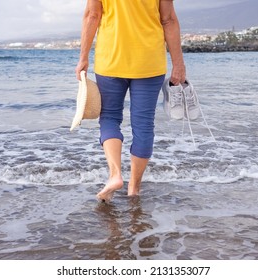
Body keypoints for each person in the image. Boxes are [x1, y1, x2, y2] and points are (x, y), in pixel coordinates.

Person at [75, 0, 186, 202]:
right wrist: (178, 64)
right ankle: (133, 188)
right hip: (149, 63)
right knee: (143, 125)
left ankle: (115, 175)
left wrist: (83, 57)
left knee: (109, 117)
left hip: (111, 60)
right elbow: (168, 20)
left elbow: (93, 16)